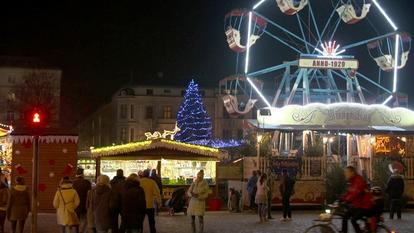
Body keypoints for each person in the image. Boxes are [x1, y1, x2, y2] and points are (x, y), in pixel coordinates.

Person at [341, 166, 374, 233]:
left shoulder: (358, 180)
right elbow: (349, 192)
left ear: (352, 172)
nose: (345, 174)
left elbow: (355, 193)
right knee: (345, 216)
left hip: (365, 206)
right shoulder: (352, 181)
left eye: (347, 172)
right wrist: (341, 198)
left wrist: (346, 200)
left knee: (353, 220)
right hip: (358, 205)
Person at [73, 167, 92, 233]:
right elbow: (90, 194)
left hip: (76, 204)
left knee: (76, 219)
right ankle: (82, 230)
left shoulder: (73, 183)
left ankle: (77, 231)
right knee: (84, 219)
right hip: (85, 204)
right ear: (83, 174)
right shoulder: (87, 182)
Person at [110, 169, 126, 233]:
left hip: (114, 202)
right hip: (123, 202)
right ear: (122, 173)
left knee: (114, 219)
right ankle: (122, 231)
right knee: (124, 219)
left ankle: (114, 231)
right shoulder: (125, 182)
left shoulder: (112, 182)